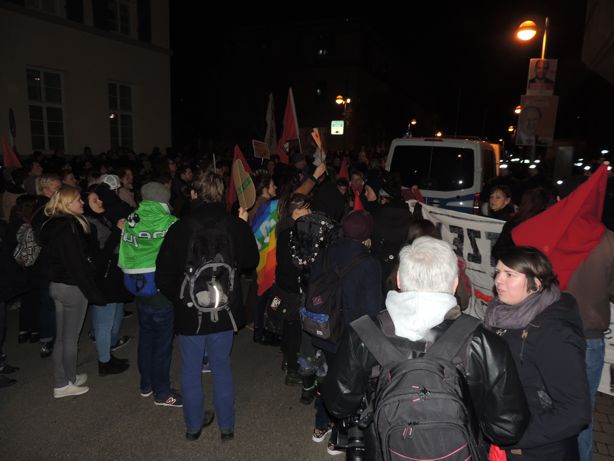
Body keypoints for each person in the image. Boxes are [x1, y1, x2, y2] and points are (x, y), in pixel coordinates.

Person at [323, 237, 530, 459]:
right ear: (454, 285)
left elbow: (338, 405)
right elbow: (508, 428)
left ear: (400, 280)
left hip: (386, 450)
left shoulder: (363, 333)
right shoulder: (484, 341)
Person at [156, 171, 259, 441]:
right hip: (225, 309)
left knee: (190, 369)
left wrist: (182, 300)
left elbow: (163, 275)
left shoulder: (180, 228)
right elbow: (250, 261)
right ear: (222, 195)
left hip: (190, 311)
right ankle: (227, 428)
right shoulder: (234, 225)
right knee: (221, 366)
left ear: (194, 194)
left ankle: (193, 428)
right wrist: (243, 226)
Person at [485, 246, 591, 460]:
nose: (499, 280)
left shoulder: (554, 333)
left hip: (538, 451)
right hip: (502, 443)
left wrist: (512, 437)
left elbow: (575, 411)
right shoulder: (500, 312)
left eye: (510, 274)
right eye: (497, 272)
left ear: (536, 283)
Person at [39, 186, 105, 398]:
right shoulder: (68, 227)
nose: (82, 203)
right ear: (67, 204)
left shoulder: (53, 224)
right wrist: (93, 292)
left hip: (58, 285)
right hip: (70, 287)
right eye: (78, 199)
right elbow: (76, 264)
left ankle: (68, 377)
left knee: (62, 337)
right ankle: (62, 384)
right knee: (69, 338)